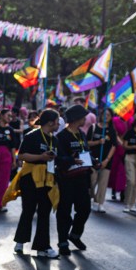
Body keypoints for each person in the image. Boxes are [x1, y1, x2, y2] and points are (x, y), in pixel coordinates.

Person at [13, 109, 60, 258]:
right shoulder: (32, 136)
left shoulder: (55, 140)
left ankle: (43, 247)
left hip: (48, 179)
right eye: (57, 121)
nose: (59, 124)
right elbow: (21, 155)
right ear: (51, 122)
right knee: (28, 210)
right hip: (30, 178)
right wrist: (41, 156)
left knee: (44, 212)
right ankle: (20, 241)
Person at [55, 104, 94, 255]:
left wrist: (94, 161)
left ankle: (75, 235)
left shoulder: (82, 134)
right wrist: (71, 160)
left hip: (82, 179)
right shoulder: (62, 137)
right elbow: (58, 158)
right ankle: (63, 241)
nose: (85, 119)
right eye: (83, 117)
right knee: (64, 211)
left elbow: (86, 153)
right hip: (66, 180)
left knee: (85, 209)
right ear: (76, 118)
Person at [90, 109, 121, 213]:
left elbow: (114, 146)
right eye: (104, 114)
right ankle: (92, 198)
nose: (106, 116)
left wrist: (107, 160)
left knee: (103, 183)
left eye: (108, 115)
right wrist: (98, 142)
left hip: (106, 161)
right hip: (92, 160)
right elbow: (87, 143)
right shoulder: (93, 127)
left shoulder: (112, 130)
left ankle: (100, 203)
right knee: (92, 181)